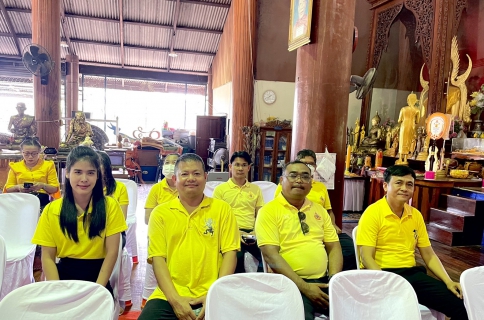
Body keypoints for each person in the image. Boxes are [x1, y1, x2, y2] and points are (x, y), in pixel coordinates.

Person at [357, 165, 468, 320]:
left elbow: (428, 255)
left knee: (461, 305)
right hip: (382, 274)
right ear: (385, 186)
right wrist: (386, 282)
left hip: (411, 274)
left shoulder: (415, 215)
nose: (404, 188)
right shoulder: (373, 213)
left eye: (409, 184)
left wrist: (448, 281)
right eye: (398, 183)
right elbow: (366, 257)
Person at [138, 154, 239, 320]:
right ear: (174, 179)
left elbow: (230, 253)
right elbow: (158, 259)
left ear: (206, 177)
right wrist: (175, 300)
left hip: (213, 291)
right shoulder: (160, 213)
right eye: (184, 174)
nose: (191, 178)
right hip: (168, 295)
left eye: (197, 174)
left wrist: (215, 293)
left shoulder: (222, 210)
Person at [31, 146, 127, 295]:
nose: (84, 179)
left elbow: (112, 252)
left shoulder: (110, 206)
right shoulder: (52, 210)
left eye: (90, 173)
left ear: (97, 176)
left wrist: (98, 289)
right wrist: (57, 291)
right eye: (78, 172)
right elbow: (47, 257)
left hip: (98, 279)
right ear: (67, 173)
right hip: (63, 279)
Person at [256, 161, 342, 320]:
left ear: (311, 184)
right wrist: (305, 287)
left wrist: (334, 280)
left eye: (305, 176)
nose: (299, 180)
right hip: (288, 283)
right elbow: (270, 255)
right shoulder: (268, 212)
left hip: (324, 281)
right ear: (281, 181)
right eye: (293, 175)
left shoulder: (320, 210)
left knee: (356, 311)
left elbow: (334, 246)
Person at [274, 149, 356, 270]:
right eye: (304, 163)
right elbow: (279, 208)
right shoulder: (286, 186)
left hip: (322, 227)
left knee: (350, 249)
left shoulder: (321, 187)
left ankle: (336, 280)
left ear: (315, 167)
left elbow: (328, 210)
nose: (307, 166)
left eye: (311, 164)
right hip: (297, 228)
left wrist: (333, 224)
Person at [4, 136, 60, 280]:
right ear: (21, 152)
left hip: (41, 200)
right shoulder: (15, 167)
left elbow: (54, 187)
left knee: (41, 226)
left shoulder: (48, 165)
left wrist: (41, 185)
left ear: (40, 152)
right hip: (21, 202)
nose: (30, 157)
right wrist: (18, 187)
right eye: (26, 153)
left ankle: (41, 258)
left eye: (34, 153)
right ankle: (24, 253)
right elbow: (8, 188)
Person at [213, 151, 264, 273]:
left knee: (268, 254)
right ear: (230, 167)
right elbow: (217, 215)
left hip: (252, 232)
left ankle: (261, 285)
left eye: (244, 165)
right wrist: (236, 232)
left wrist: (255, 231)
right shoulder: (221, 190)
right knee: (236, 258)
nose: (240, 168)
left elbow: (261, 214)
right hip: (230, 232)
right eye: (237, 165)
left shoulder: (256, 189)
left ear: (248, 168)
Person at [141, 153, 180, 308]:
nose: (170, 165)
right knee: (153, 267)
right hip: (159, 235)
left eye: (174, 162)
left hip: (181, 234)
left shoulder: (186, 186)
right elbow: (147, 218)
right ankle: (148, 301)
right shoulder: (157, 189)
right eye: (167, 162)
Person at [97, 151, 131, 312]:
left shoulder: (119, 188)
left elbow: (121, 220)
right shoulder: (86, 186)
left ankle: (110, 295)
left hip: (114, 232)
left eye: (99, 165)